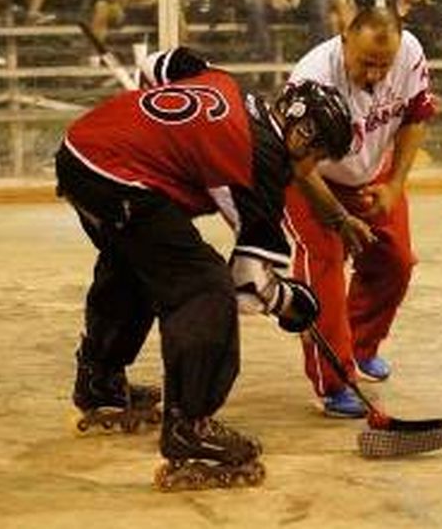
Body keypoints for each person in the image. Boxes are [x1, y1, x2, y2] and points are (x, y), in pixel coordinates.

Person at [55, 46, 354, 491]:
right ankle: (189, 426)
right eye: (320, 155)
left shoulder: (224, 82)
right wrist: (292, 303)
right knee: (204, 288)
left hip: (79, 151)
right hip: (121, 179)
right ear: (302, 135)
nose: (313, 169)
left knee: (141, 262)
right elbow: (248, 286)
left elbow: (159, 63)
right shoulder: (265, 162)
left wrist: (152, 136)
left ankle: (99, 381)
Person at [285, 7, 434, 417]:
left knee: (395, 262)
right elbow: (299, 165)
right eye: (366, 62)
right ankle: (333, 382)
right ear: (344, 38)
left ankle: (360, 346)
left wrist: (395, 184)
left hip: (371, 174)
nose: (375, 74)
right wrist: (337, 218)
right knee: (324, 270)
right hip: (310, 179)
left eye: (384, 65)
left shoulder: (410, 52)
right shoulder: (311, 78)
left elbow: (416, 117)